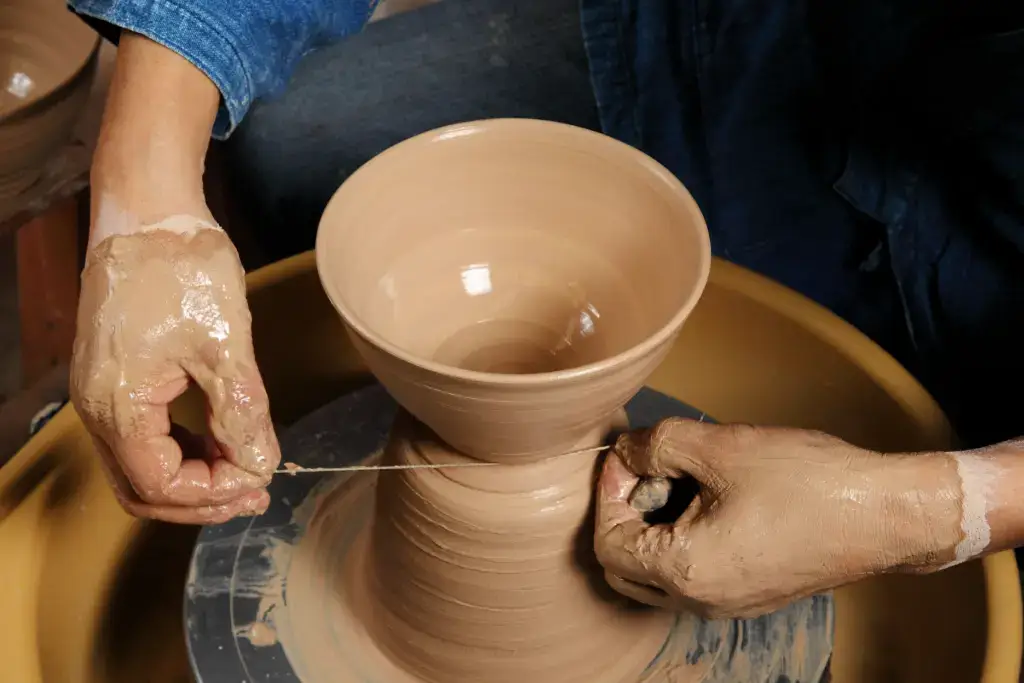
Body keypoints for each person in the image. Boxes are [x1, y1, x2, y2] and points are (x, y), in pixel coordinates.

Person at [66, 0, 1024, 617]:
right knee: (287, 145)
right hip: (804, 55)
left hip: (993, 287)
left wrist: (937, 506)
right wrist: (143, 202)